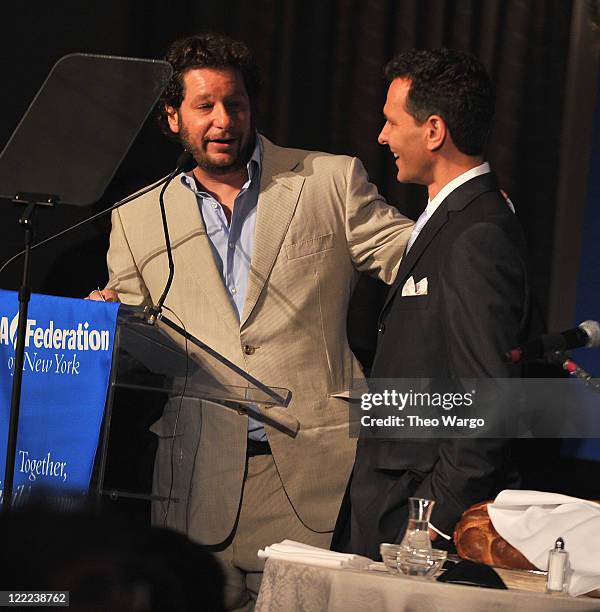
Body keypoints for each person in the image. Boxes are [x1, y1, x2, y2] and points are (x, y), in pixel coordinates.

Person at [90, 33, 413, 610]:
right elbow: (138, 350)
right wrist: (104, 328)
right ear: (172, 118)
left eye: (234, 104)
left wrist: (473, 216)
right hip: (194, 483)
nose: (222, 120)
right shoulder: (137, 217)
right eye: (204, 106)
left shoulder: (328, 181)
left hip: (312, 475)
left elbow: (410, 253)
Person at [332, 48, 530, 561]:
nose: (382, 136)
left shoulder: (475, 232)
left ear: (434, 130)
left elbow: (486, 398)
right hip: (390, 503)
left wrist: (433, 526)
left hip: (416, 520)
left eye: (391, 122)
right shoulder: (451, 219)